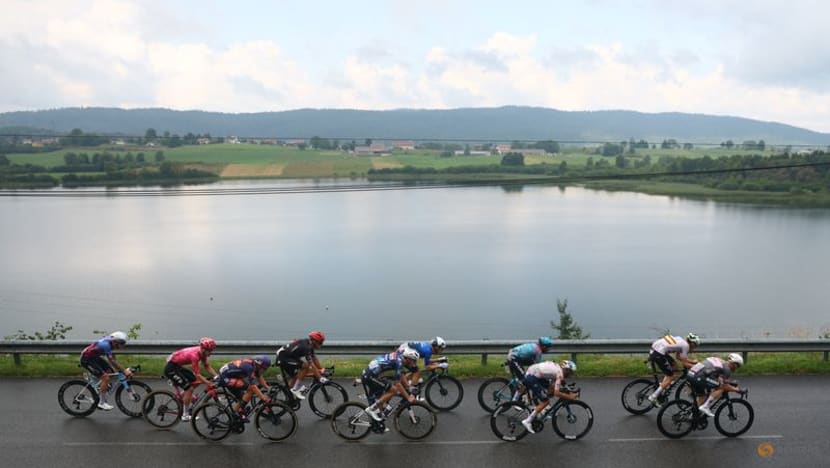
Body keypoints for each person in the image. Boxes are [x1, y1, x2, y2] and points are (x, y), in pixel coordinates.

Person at [164, 337, 219, 421]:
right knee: (189, 389)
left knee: (194, 381)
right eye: (210, 351)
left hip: (177, 366)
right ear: (204, 349)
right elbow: (198, 374)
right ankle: (185, 415)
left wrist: (217, 376)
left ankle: (185, 397)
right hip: (171, 369)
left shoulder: (202, 353)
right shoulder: (195, 356)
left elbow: (206, 366)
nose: (211, 353)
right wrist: (209, 383)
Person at [360, 347, 420, 422]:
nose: (415, 364)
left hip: (372, 374)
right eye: (414, 361)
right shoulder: (399, 362)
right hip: (370, 376)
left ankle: (377, 421)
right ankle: (371, 409)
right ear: (408, 359)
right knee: (393, 390)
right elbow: (398, 384)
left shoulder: (401, 356)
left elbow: (401, 374)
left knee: (381, 398)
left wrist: (408, 386)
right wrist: (408, 397)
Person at [79, 331, 133, 410]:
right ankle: (101, 403)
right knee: (105, 378)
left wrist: (122, 369)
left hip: (94, 357)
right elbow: (112, 361)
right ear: (115, 342)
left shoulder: (111, 342)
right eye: (122, 343)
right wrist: (124, 371)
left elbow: (113, 359)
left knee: (110, 371)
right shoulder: (106, 345)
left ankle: (99, 386)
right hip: (86, 359)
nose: (123, 345)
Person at [521, 360, 578, 433]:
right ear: (566, 370)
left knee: (549, 389)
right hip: (531, 377)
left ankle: (539, 410)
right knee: (546, 401)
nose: (570, 375)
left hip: (534, 373)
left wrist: (568, 390)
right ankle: (527, 421)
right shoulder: (559, 373)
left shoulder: (557, 368)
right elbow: (556, 393)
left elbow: (558, 384)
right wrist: (569, 397)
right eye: (570, 372)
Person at [646, 333, 700, 407]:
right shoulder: (686, 346)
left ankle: (664, 384)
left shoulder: (681, 341)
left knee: (674, 365)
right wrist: (697, 367)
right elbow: (685, 364)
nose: (695, 348)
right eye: (695, 345)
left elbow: (678, 357)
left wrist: (692, 362)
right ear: (692, 344)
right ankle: (653, 397)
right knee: (671, 377)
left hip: (656, 350)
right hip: (659, 353)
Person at [275, 330, 327, 400]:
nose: (321, 344)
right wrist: (320, 378)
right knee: (305, 367)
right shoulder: (306, 348)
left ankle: (287, 398)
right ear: (314, 341)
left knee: (296, 376)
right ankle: (295, 389)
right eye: (320, 342)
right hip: (283, 358)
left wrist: (321, 369)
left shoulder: (309, 344)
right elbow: (311, 364)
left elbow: (314, 358)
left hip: (288, 357)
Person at [217, 355, 272, 419]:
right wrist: (263, 398)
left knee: (243, 395)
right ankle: (238, 411)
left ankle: (237, 411)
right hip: (225, 377)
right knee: (250, 389)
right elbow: (253, 386)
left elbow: (259, 377)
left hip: (232, 375)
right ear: (259, 365)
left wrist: (268, 388)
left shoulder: (255, 365)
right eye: (264, 368)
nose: (264, 370)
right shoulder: (249, 368)